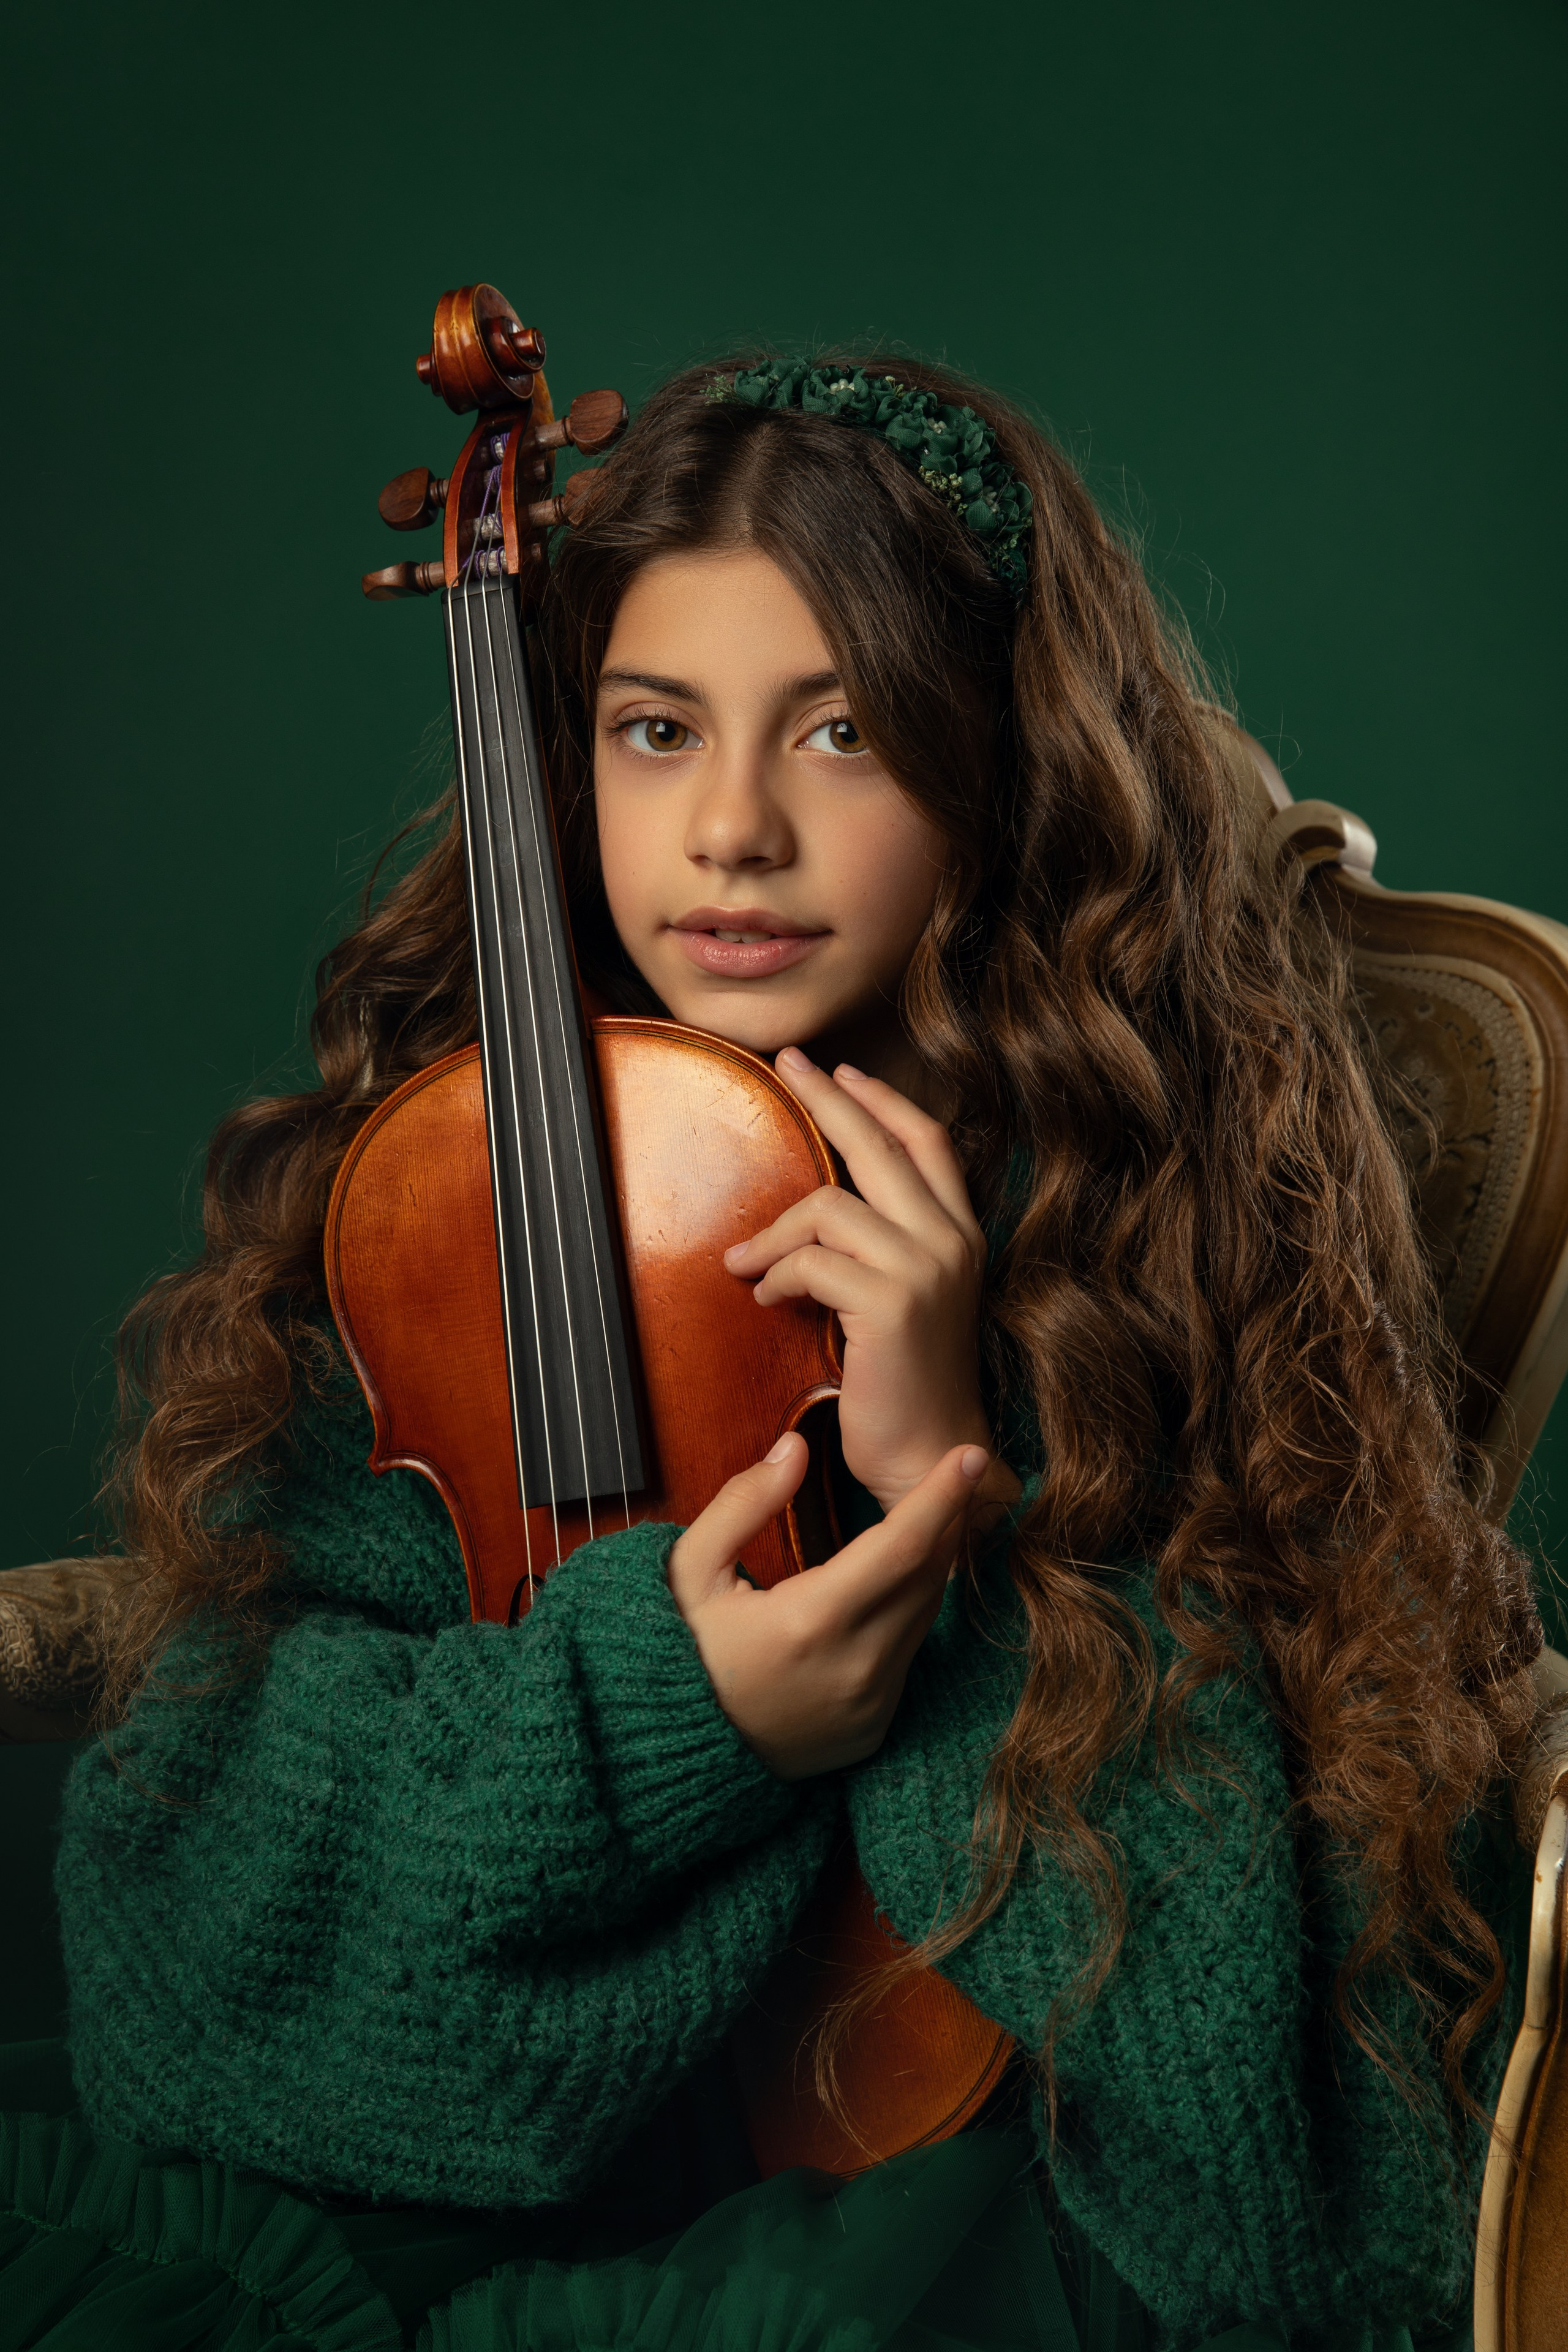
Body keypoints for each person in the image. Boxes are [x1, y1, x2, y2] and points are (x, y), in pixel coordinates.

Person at [1, 355, 1542, 2351]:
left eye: (842, 731)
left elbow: (1272, 2123)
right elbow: (197, 1912)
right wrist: (674, 1710)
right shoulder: (445, 1199)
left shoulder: (1157, 1218)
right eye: (657, 731)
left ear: (1003, 769)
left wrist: (942, 1486)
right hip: (439, 2161)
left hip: (925, 2208)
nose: (729, 828)